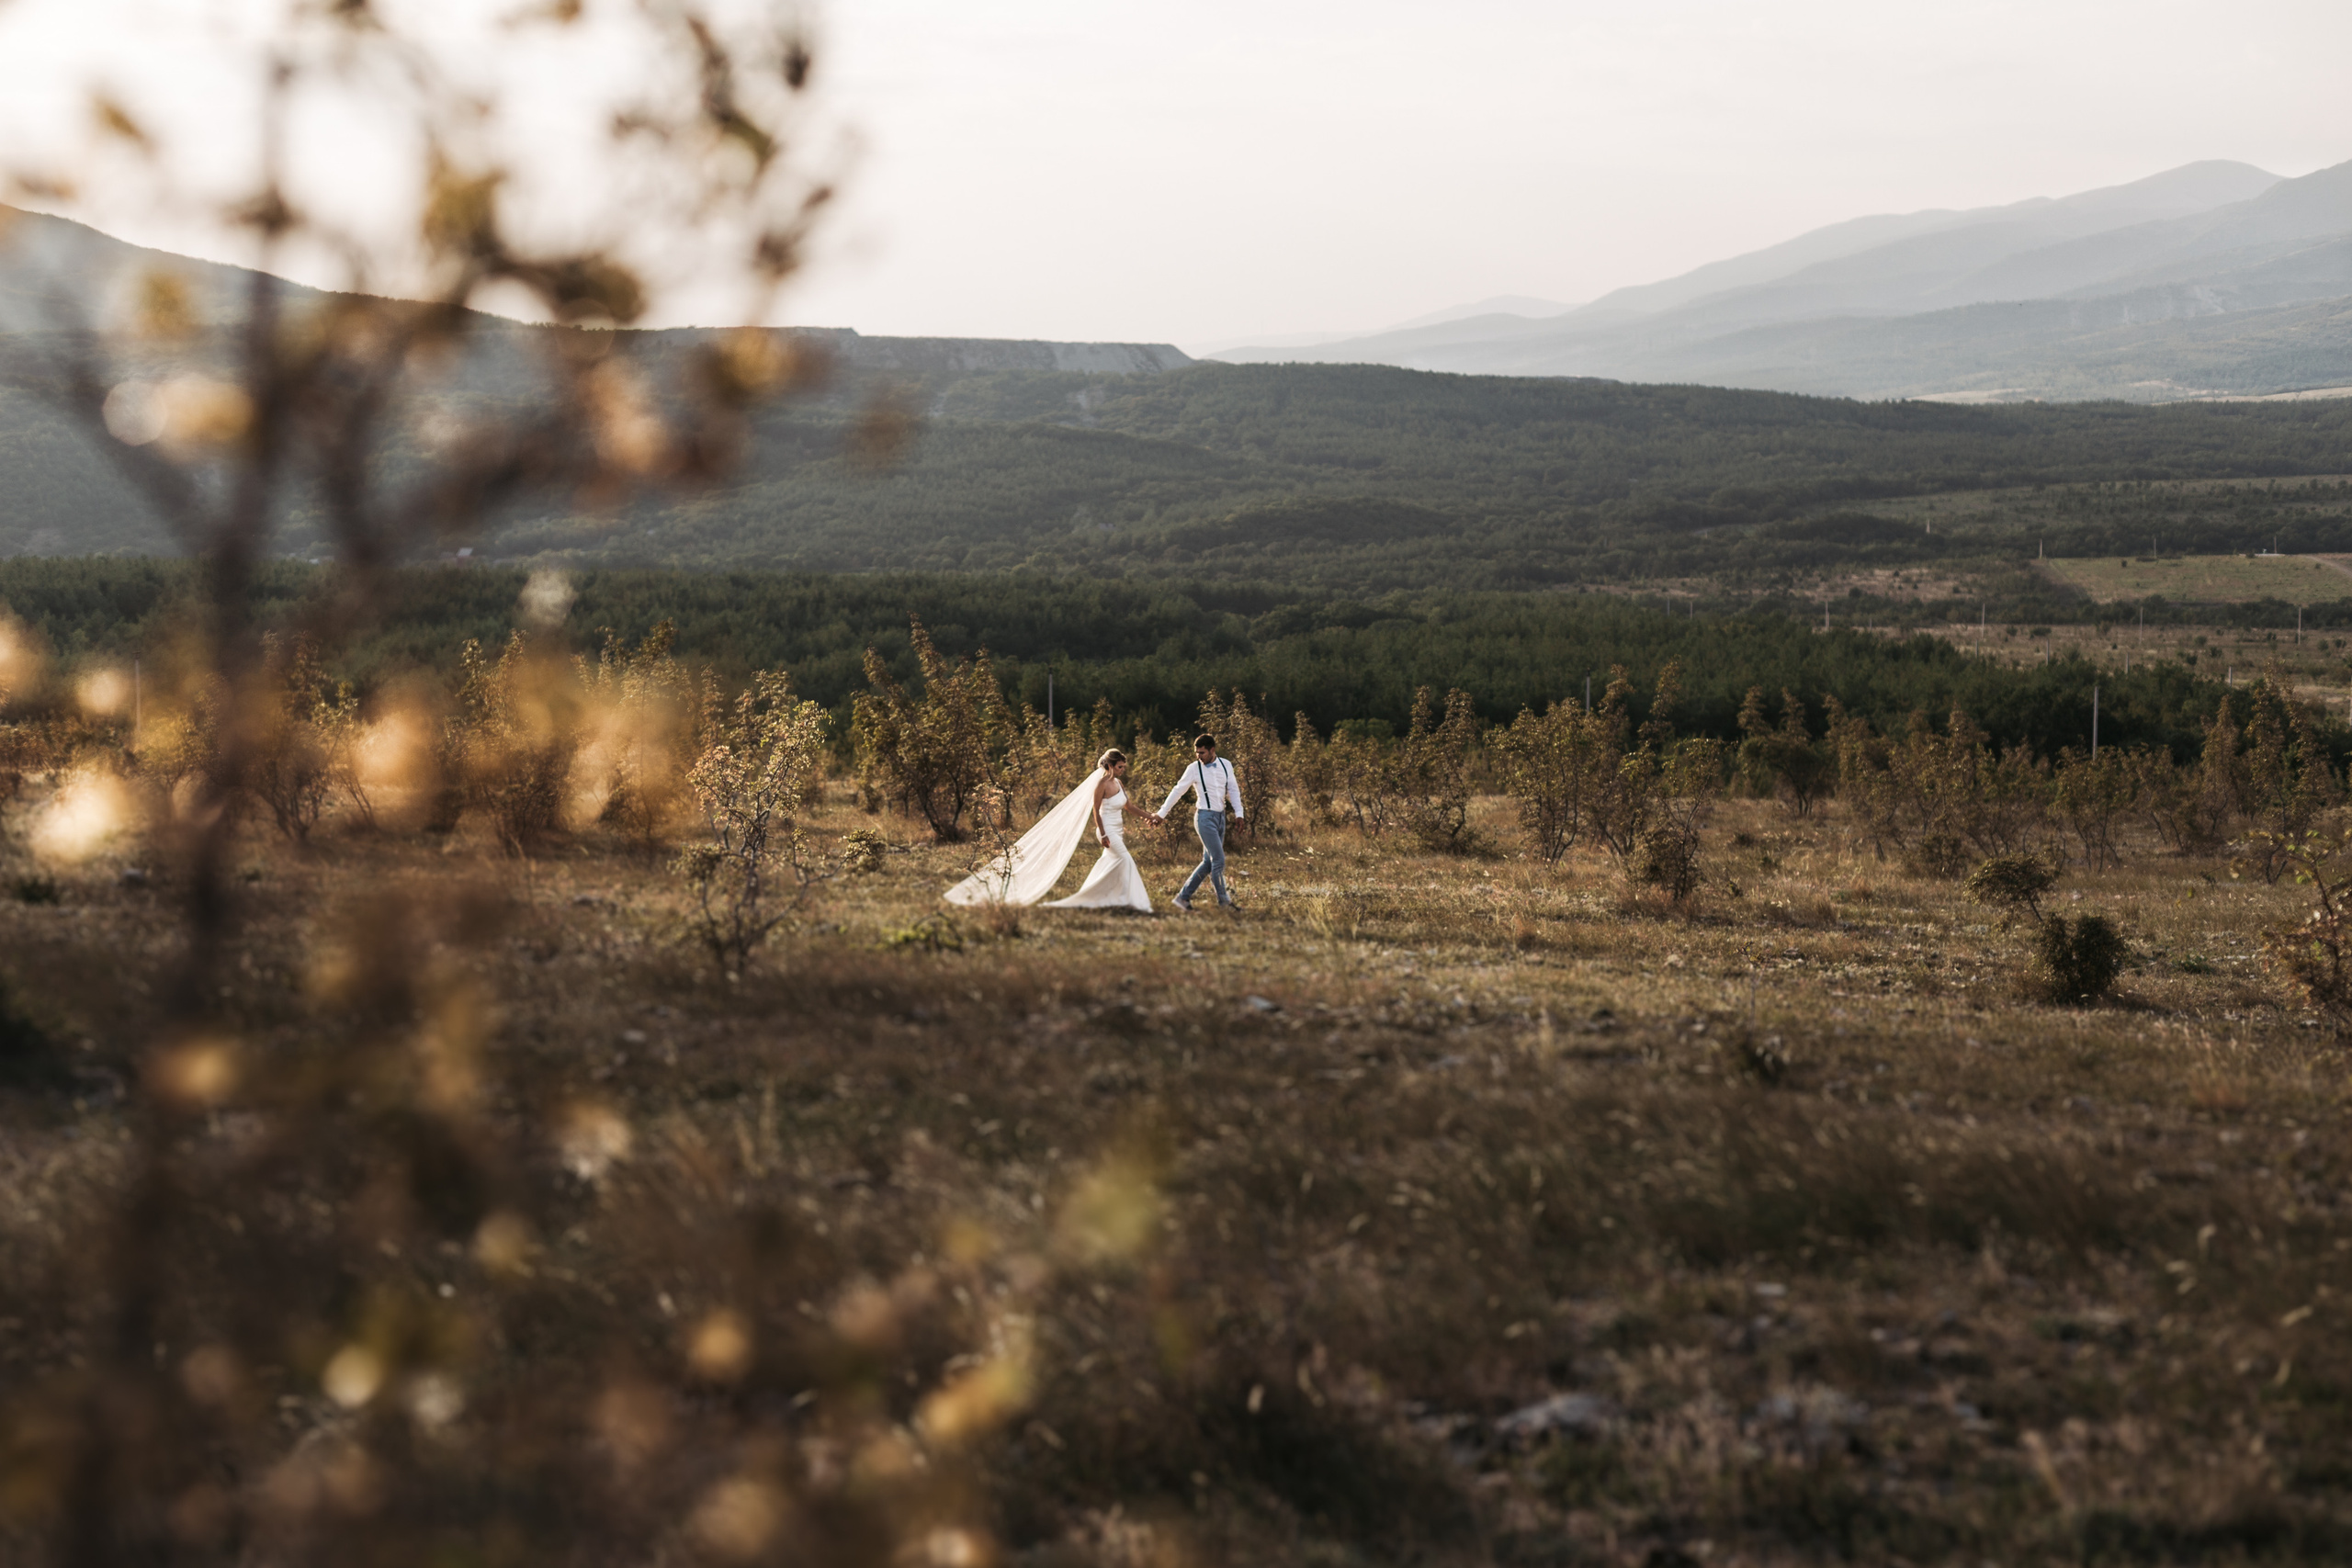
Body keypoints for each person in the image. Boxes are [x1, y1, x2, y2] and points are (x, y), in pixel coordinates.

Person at [943, 750, 1152, 912]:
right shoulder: (1101, 784)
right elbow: (1095, 811)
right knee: (1125, 859)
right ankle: (1134, 901)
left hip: (1118, 829)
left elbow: (1129, 806)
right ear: (1110, 766)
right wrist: (1103, 833)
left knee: (1111, 863)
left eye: (1124, 767)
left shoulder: (1119, 783)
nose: (1123, 770)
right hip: (1106, 831)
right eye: (1120, 767)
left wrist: (1149, 816)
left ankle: (1100, 898)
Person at [1150, 733, 1241, 911]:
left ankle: (1182, 898)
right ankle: (1224, 903)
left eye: (1202, 753)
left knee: (1208, 863)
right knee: (1218, 860)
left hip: (1221, 817)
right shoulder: (1193, 768)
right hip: (1204, 818)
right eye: (1197, 753)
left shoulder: (1226, 765)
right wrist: (1161, 814)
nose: (1199, 756)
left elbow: (1233, 790)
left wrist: (1240, 814)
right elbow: (1178, 791)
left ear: (1212, 750)